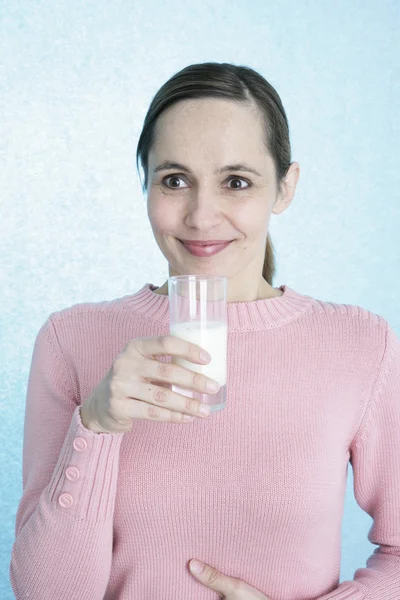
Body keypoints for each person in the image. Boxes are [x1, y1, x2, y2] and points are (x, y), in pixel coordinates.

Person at [9, 62, 400, 600]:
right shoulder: (71, 339)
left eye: (236, 182)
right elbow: (46, 593)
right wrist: (95, 427)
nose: (201, 214)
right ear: (145, 183)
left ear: (285, 188)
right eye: (175, 180)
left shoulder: (361, 344)